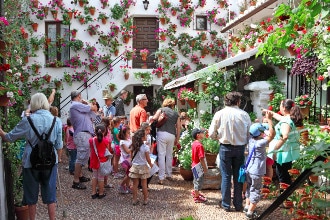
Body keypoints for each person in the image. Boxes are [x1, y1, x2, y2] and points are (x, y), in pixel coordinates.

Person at [0, 93, 63, 220]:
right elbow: (59, 145)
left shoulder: (27, 120)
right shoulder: (57, 121)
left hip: (30, 162)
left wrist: (1, 131)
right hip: (50, 162)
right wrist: (58, 159)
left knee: (31, 196)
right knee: (50, 195)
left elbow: (9, 138)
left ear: (33, 104)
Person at [208, 91, 251, 212]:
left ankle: (226, 204)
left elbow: (211, 133)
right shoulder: (244, 115)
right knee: (238, 176)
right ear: (238, 101)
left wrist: (218, 137)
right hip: (240, 148)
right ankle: (238, 204)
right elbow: (249, 134)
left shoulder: (219, 114)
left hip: (225, 147)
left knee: (226, 176)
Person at [263, 99, 303, 185]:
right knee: (285, 174)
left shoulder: (286, 121)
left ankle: (285, 196)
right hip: (287, 151)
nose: (279, 107)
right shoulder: (289, 118)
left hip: (283, 152)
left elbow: (284, 136)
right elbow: (277, 116)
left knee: (283, 177)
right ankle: (287, 195)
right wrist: (268, 112)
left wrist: (275, 150)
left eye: (280, 105)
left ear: (284, 108)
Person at [244, 112, 275, 219]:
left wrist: (257, 125)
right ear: (260, 134)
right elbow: (272, 134)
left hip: (248, 169)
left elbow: (255, 131)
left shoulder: (250, 140)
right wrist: (269, 120)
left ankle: (247, 206)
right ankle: (250, 212)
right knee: (256, 190)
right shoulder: (260, 143)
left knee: (249, 187)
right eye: (262, 132)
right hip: (257, 171)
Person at [70, 90, 97, 190]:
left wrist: (89, 106)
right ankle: (75, 181)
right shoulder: (75, 105)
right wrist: (88, 104)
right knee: (80, 157)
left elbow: (94, 114)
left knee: (84, 156)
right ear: (78, 96)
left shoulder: (80, 107)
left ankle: (80, 176)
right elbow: (92, 107)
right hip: (82, 134)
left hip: (85, 134)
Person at [151, 98, 180, 185]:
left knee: (161, 155)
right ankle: (169, 174)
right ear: (172, 105)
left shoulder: (161, 110)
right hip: (171, 135)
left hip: (161, 133)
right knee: (169, 155)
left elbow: (154, 118)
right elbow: (178, 127)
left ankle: (161, 177)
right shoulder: (176, 114)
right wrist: (177, 138)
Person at [128, 129, 153, 205]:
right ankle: (145, 200)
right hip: (143, 167)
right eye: (145, 135)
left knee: (135, 184)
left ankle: (134, 200)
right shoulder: (145, 147)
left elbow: (131, 156)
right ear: (142, 138)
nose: (146, 136)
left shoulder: (133, 146)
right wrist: (151, 164)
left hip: (135, 166)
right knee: (144, 184)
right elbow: (148, 159)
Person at [89, 124, 111, 199]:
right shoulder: (105, 141)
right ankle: (101, 193)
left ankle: (93, 192)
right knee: (101, 178)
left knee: (94, 176)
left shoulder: (91, 140)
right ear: (104, 132)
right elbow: (108, 150)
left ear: (95, 131)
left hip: (94, 161)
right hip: (102, 161)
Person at [191, 128, 208, 203]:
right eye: (202, 133)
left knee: (196, 180)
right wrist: (204, 168)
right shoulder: (200, 146)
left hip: (194, 164)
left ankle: (195, 193)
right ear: (198, 135)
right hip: (198, 166)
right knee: (198, 182)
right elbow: (201, 158)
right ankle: (197, 197)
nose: (203, 134)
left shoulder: (194, 143)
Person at [118, 125, 132, 194]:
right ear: (124, 133)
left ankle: (127, 186)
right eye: (128, 133)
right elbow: (127, 151)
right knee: (128, 175)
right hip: (125, 160)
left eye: (129, 133)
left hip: (129, 160)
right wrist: (133, 147)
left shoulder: (129, 140)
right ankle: (121, 185)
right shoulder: (122, 142)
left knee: (129, 174)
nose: (129, 134)